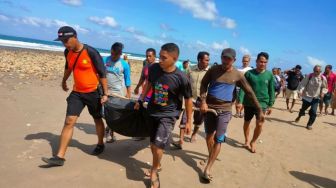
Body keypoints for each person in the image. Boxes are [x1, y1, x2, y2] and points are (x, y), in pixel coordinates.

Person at [42, 26, 109, 166]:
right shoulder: (67, 52)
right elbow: (68, 67)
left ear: (75, 37)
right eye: (62, 41)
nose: (64, 43)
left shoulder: (91, 52)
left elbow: (102, 73)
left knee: (97, 119)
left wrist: (105, 93)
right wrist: (64, 80)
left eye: (66, 40)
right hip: (77, 93)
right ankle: (60, 157)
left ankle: (100, 143)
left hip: (93, 92)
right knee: (69, 121)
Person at [200, 48, 264, 181]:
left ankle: (208, 168)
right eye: (224, 57)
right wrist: (203, 101)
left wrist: (259, 109)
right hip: (209, 107)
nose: (225, 60)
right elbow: (203, 84)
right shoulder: (213, 70)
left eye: (229, 58)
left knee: (218, 138)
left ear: (234, 60)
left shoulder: (238, 75)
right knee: (208, 136)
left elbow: (249, 92)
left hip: (225, 110)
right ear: (221, 57)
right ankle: (212, 156)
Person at [134, 43, 192, 188]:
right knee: (153, 144)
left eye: (164, 58)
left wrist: (189, 121)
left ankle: (154, 171)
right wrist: (141, 99)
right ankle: (157, 164)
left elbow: (188, 99)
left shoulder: (182, 77)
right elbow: (149, 84)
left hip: (169, 115)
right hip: (153, 111)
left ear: (175, 58)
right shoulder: (153, 68)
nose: (160, 60)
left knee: (159, 146)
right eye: (160, 56)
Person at [238, 52, 275, 153]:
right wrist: (240, 101)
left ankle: (253, 141)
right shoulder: (249, 73)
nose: (262, 64)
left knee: (259, 124)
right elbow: (243, 88)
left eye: (265, 62)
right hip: (249, 102)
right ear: (256, 61)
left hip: (262, 103)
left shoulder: (269, 75)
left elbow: (271, 90)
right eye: (261, 61)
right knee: (246, 122)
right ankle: (246, 140)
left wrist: (271, 105)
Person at [172, 51, 210, 149]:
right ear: (199, 60)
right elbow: (184, 81)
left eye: (208, 60)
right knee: (184, 118)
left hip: (202, 100)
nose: (208, 62)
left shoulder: (209, 72)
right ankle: (180, 140)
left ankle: (194, 134)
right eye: (206, 60)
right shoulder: (190, 69)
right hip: (190, 98)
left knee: (198, 120)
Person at [103, 42, 131, 143]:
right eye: (112, 53)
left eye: (116, 54)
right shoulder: (104, 60)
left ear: (120, 54)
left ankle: (110, 132)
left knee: (113, 114)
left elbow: (128, 80)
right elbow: (99, 74)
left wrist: (128, 93)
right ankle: (109, 129)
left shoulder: (124, 64)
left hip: (117, 93)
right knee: (103, 113)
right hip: (104, 91)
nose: (113, 56)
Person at [133, 48, 157, 141]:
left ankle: (153, 134)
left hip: (153, 95)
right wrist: (137, 87)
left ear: (154, 56)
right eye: (146, 55)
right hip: (144, 93)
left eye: (150, 56)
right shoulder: (146, 66)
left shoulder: (157, 67)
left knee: (151, 115)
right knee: (140, 112)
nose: (148, 57)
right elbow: (142, 78)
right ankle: (142, 133)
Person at [295, 65, 328, 130]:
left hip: (316, 98)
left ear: (320, 71)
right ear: (313, 70)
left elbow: (325, 87)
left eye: (318, 71)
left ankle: (309, 124)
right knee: (302, 110)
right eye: (315, 71)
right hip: (307, 97)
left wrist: (323, 93)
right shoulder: (309, 76)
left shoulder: (322, 78)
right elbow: (302, 84)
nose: (316, 72)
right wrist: (300, 91)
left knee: (313, 112)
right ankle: (299, 116)